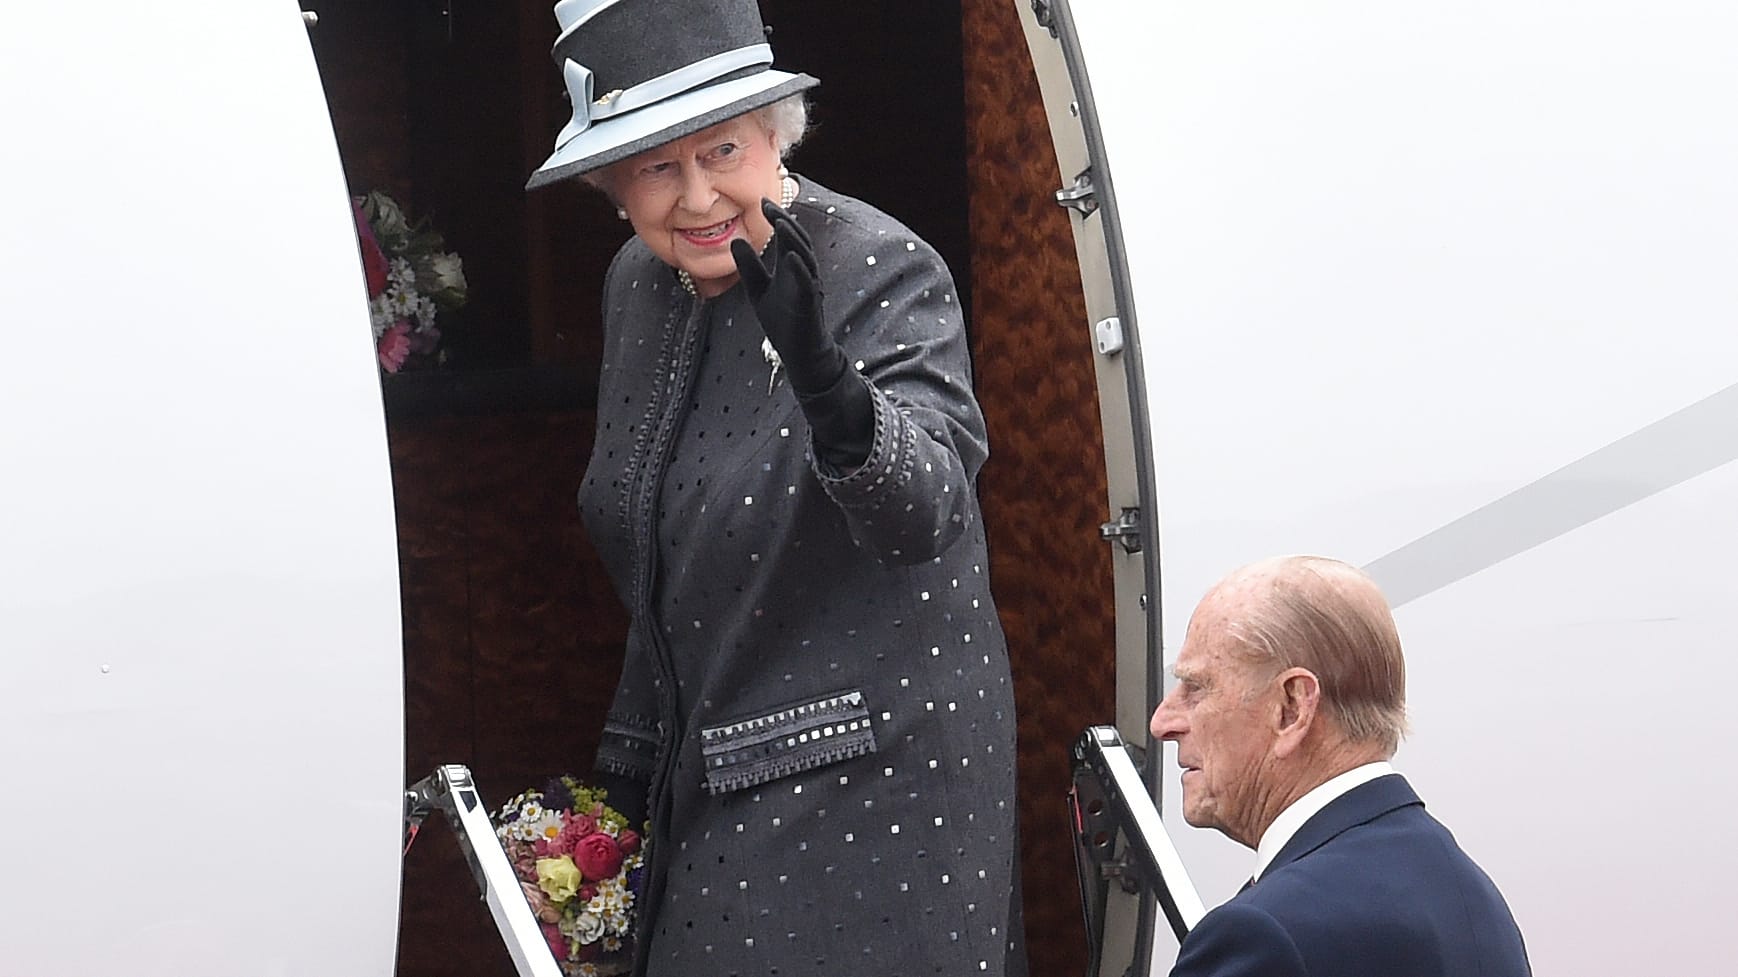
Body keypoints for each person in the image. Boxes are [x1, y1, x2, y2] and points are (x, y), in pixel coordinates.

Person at [524, 2, 1024, 976]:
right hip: (705, 785)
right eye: (658, 166)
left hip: (871, 795)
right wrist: (613, 801)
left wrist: (832, 386)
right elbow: (659, 569)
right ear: (612, 183)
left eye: (722, 151)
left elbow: (928, 511)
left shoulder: (877, 263)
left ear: (772, 134)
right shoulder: (637, 283)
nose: (699, 196)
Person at [1149, 556, 1530, 977]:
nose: (1162, 722)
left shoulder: (1263, 935)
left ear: (1292, 707)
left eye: (1196, 688)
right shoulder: (1473, 899)